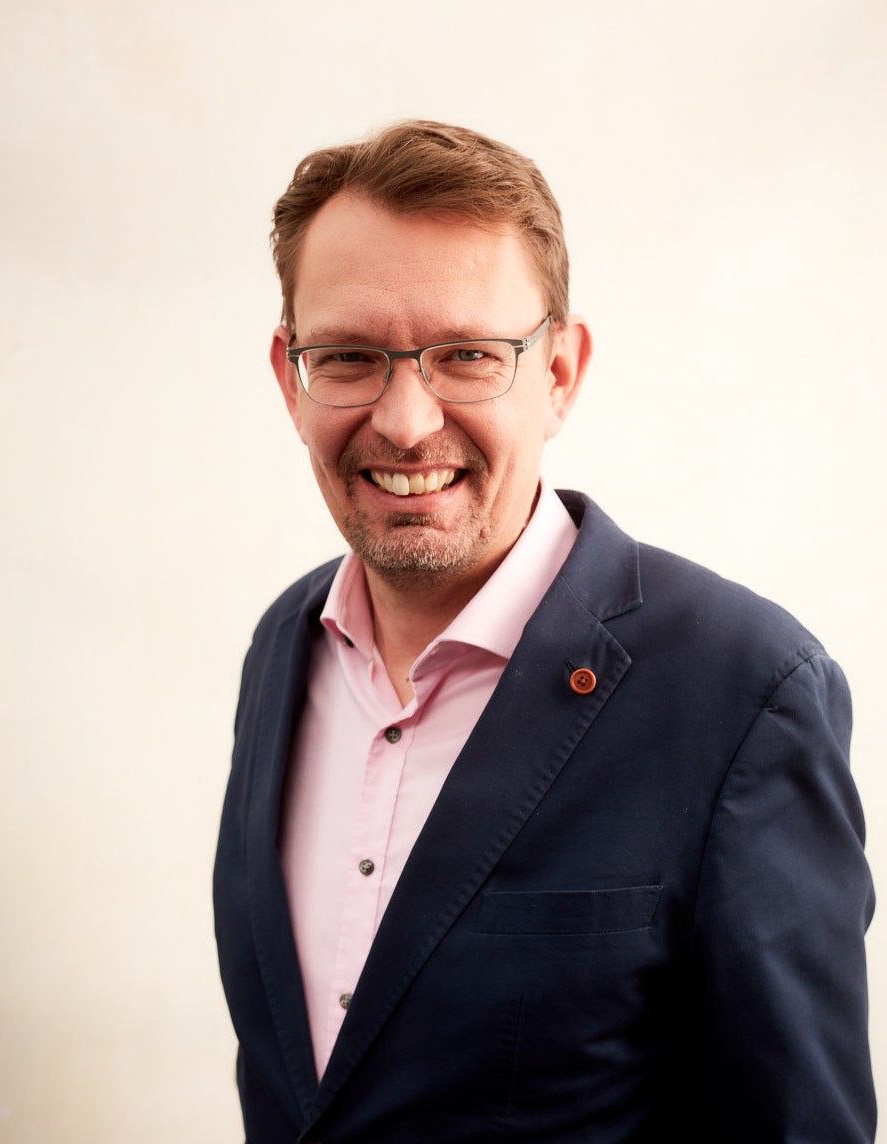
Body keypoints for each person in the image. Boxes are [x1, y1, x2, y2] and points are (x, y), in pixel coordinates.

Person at [213, 120, 875, 1143]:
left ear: (559, 373)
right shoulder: (283, 646)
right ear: (288, 378)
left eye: (466, 356)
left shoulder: (744, 691)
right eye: (347, 357)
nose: (404, 421)